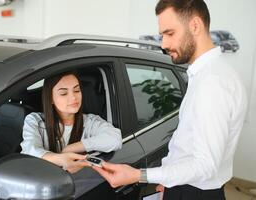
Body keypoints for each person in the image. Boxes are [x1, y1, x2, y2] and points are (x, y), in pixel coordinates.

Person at [93, 0, 247, 199]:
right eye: (162, 35)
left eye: (170, 33)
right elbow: (188, 144)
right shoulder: (207, 75)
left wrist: (138, 175)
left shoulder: (213, 83)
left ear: (195, 26)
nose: (163, 44)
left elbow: (205, 165)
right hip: (186, 185)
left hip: (194, 193)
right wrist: (169, 179)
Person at [21, 71, 122, 173]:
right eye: (64, 93)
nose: (73, 97)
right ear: (50, 98)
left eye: (77, 90)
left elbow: (115, 138)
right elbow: (29, 150)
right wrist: (61, 159)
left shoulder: (90, 122)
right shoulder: (35, 120)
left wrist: (71, 148)